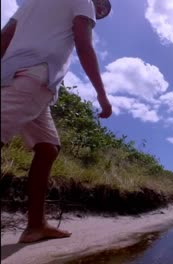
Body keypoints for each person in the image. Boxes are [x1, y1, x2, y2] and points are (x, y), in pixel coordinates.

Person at [1, 0, 113, 243]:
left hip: (25, 79)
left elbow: (5, 35)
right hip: (35, 76)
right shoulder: (83, 2)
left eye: (104, 13)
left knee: (48, 148)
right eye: (102, 6)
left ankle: (36, 226)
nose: (101, 12)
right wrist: (102, 96)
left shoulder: (34, 3)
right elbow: (84, 45)